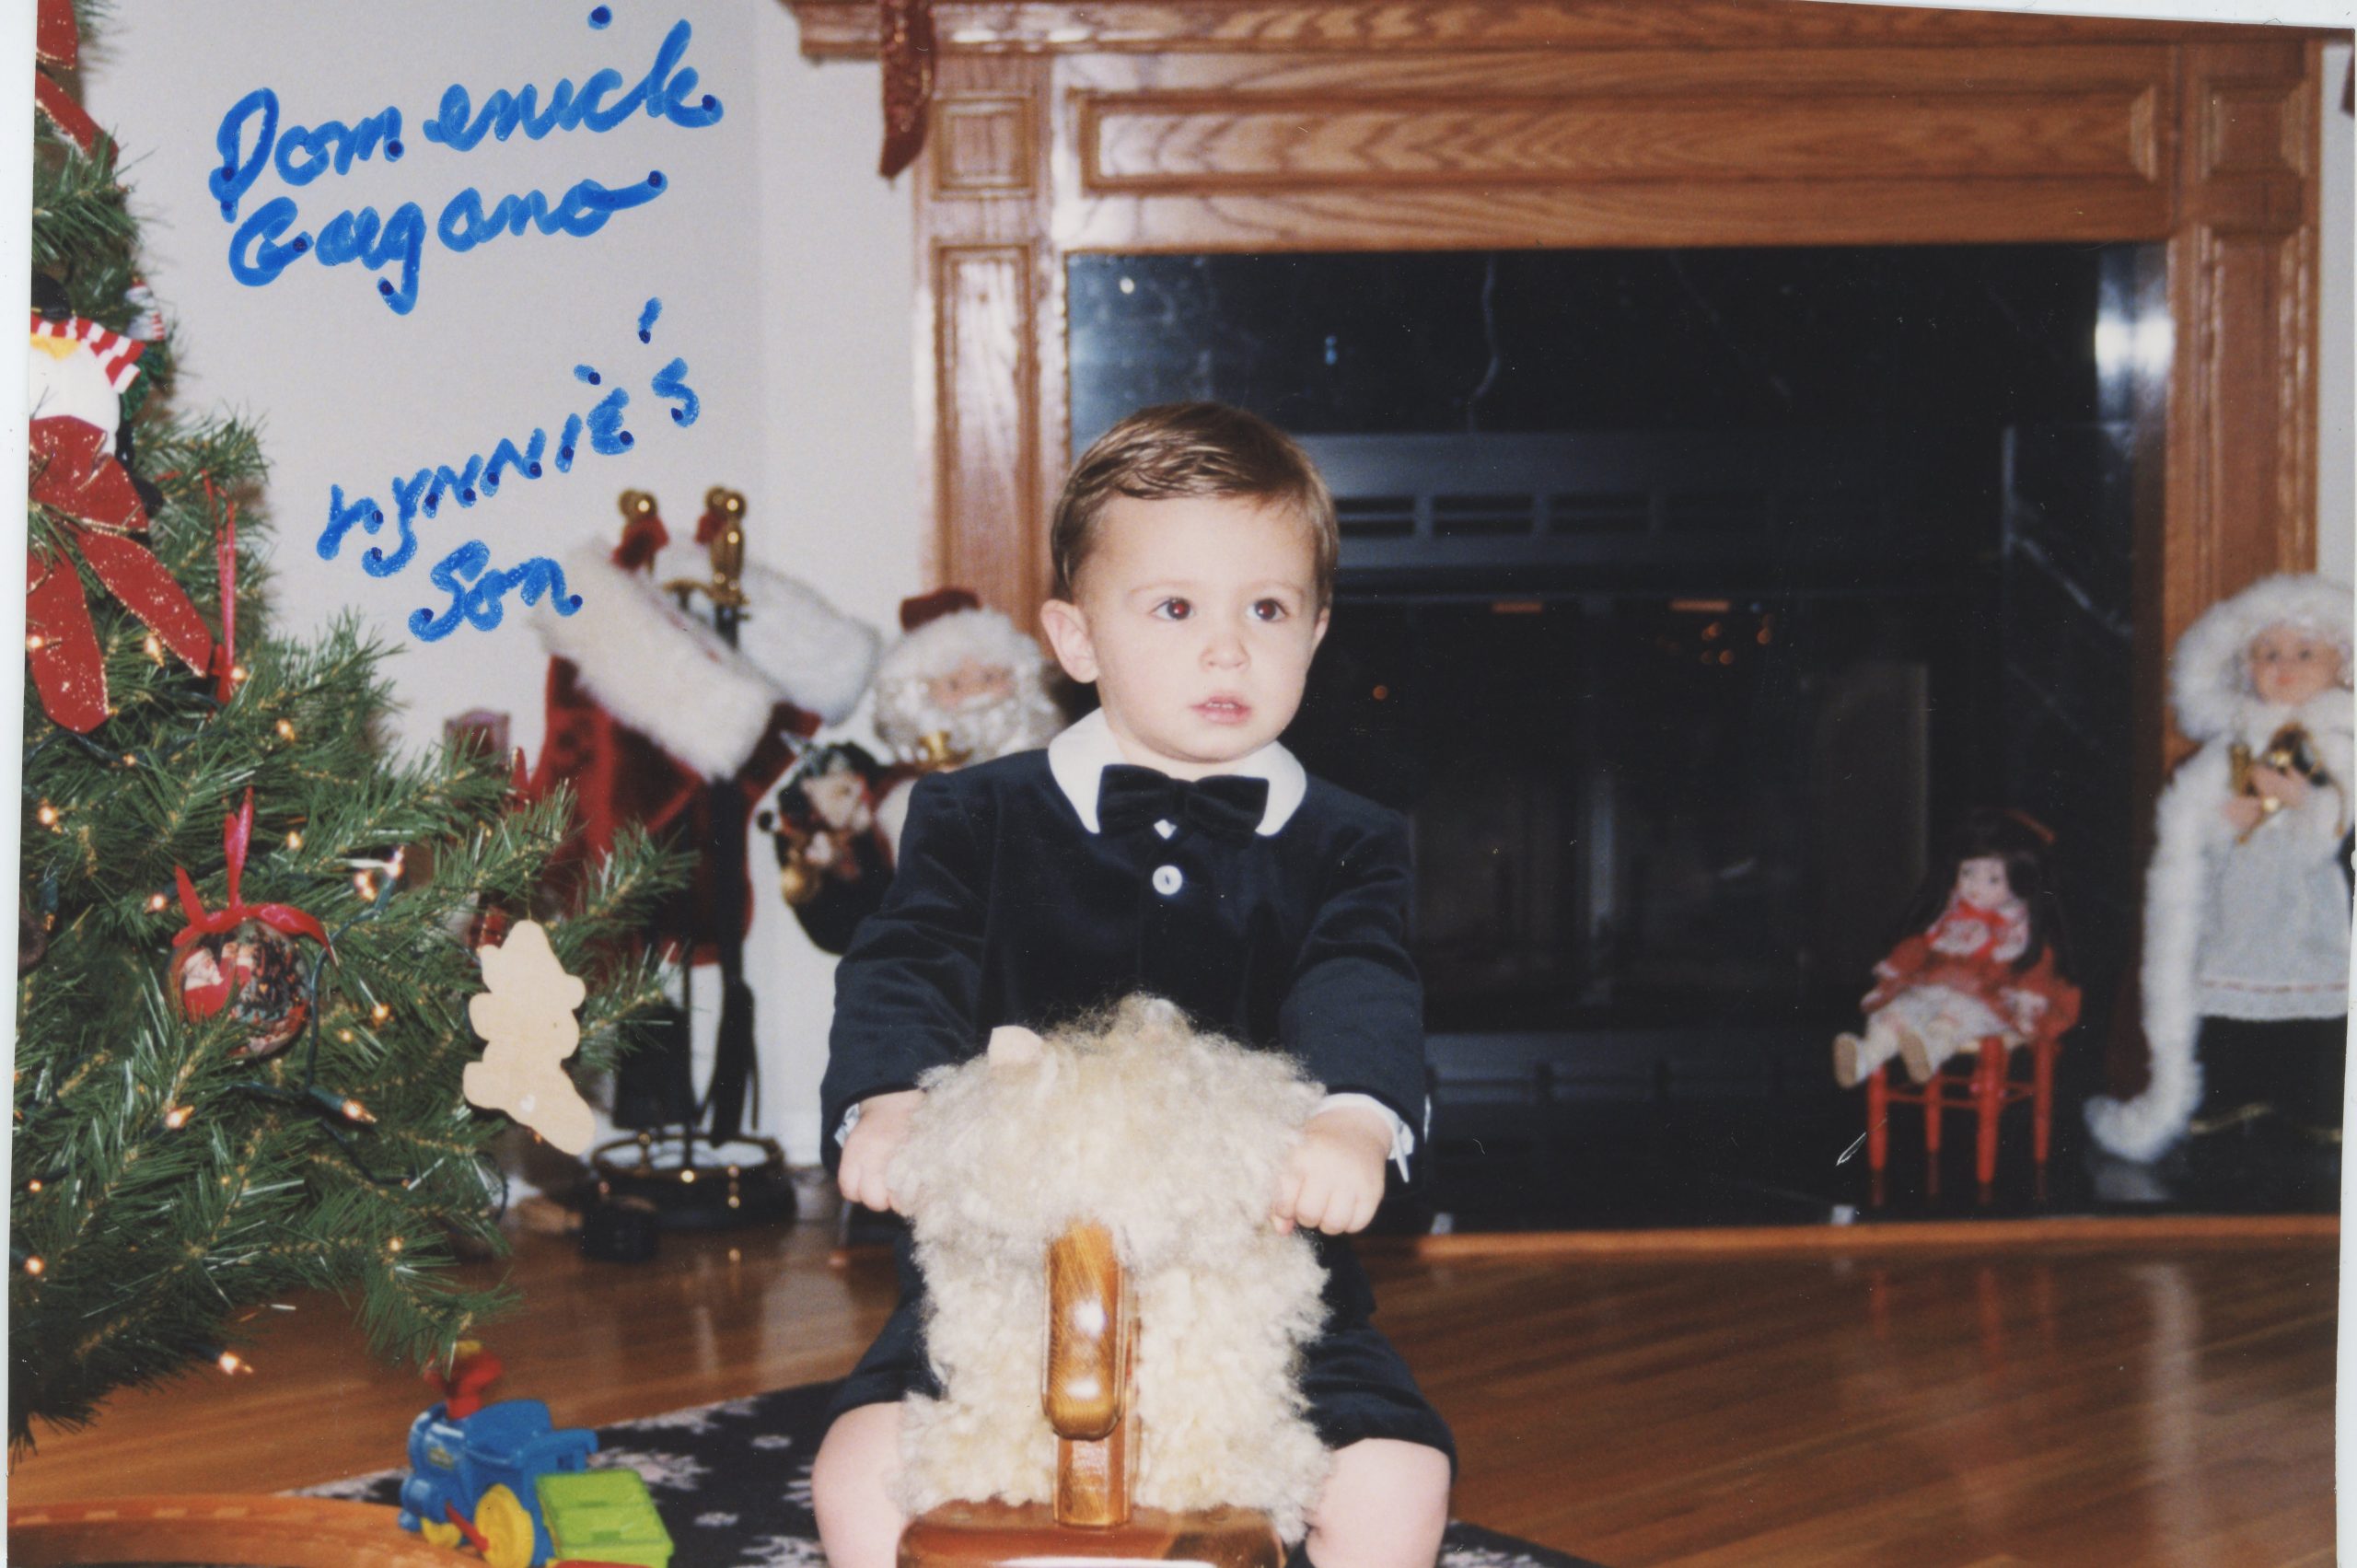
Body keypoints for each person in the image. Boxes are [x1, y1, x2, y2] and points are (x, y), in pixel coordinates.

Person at [811, 402, 1455, 1568]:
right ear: (1075, 637)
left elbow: (1361, 979)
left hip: (1266, 1289)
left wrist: (1354, 1120)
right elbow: (907, 961)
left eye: (1267, 609)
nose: (1228, 649)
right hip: (1007, 1285)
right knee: (857, 1471)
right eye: (1174, 608)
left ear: (1315, 632)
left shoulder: (1348, 840)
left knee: (1399, 1477)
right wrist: (889, 1100)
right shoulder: (974, 815)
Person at [2087, 573, 2353, 1162]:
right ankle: (2231, 1095)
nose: (2284, 667)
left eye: (2305, 654)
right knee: (2227, 996)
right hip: (2237, 907)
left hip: (2310, 907)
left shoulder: (2342, 740)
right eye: (2268, 654)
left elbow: (2344, 817)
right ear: (2244, 666)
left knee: (2314, 1002)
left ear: (2340, 665)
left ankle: (2312, 1103)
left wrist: (2309, 803)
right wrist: (2223, 819)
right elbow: (2187, 826)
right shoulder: (2234, 742)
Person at [1831, 810, 2079, 1090]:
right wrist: (1898, 973)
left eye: (1992, 879)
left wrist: (2025, 1004)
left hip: (1987, 1001)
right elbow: (1918, 949)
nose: (1974, 886)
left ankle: (1929, 1053)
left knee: (1956, 1016)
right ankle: (1864, 1058)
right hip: (1935, 990)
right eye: (1967, 872)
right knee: (1899, 1011)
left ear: (2020, 883)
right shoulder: (1950, 918)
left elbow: (2037, 970)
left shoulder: (2018, 933)